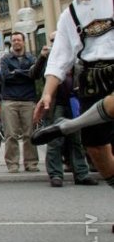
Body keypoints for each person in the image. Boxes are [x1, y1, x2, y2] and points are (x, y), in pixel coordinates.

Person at [33, 0, 114, 192]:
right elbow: (59, 58)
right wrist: (47, 94)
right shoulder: (68, 15)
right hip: (91, 79)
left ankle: (70, 124)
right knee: (95, 148)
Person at [31, 31, 97, 187]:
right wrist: (41, 57)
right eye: (52, 39)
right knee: (54, 140)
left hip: (74, 102)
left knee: (77, 140)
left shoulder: (76, 55)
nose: (55, 42)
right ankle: (55, 174)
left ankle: (81, 174)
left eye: (57, 39)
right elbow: (33, 74)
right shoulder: (48, 58)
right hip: (55, 104)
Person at [0, 32, 40, 173]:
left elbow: (35, 75)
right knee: (11, 135)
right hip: (9, 100)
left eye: (18, 40)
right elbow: (6, 77)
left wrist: (16, 72)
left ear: (23, 42)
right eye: (14, 40)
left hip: (28, 100)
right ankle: (12, 164)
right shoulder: (5, 59)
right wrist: (24, 73)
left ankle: (31, 163)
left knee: (30, 134)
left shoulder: (32, 58)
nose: (16, 42)